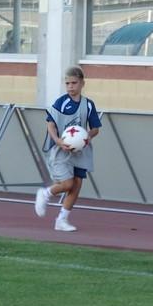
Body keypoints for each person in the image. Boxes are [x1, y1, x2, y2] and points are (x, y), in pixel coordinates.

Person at [34, 66, 102, 232]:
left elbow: (95, 128)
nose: (71, 86)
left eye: (74, 83)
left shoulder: (88, 105)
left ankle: (62, 220)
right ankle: (45, 193)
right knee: (67, 184)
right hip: (61, 149)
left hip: (80, 151)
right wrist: (57, 140)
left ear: (82, 83)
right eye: (67, 83)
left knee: (77, 185)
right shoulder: (61, 102)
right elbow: (50, 123)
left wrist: (86, 137)